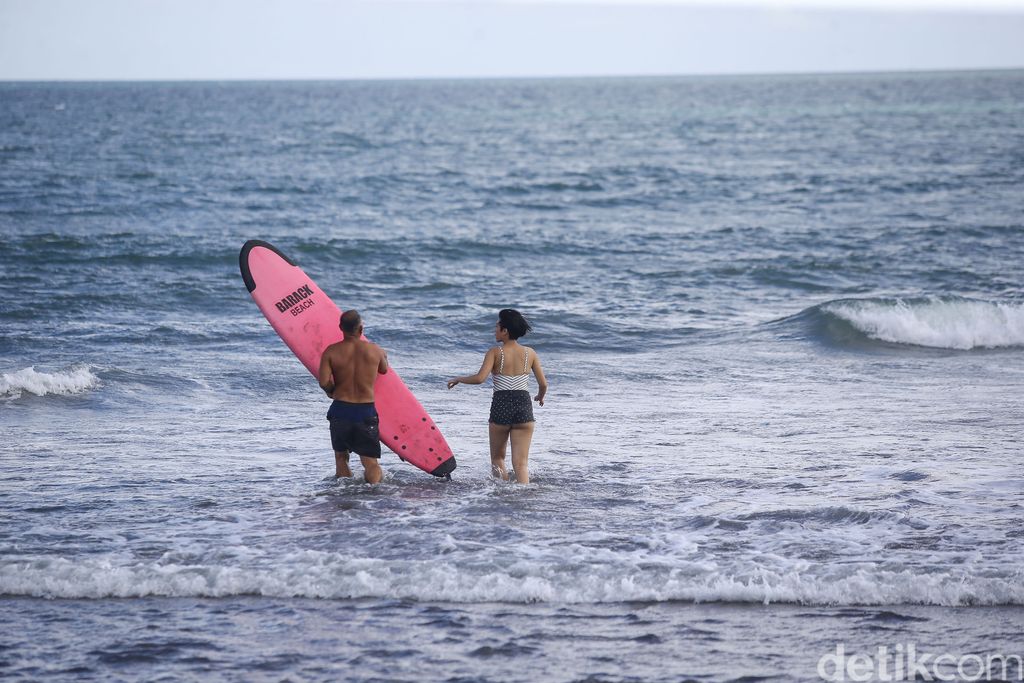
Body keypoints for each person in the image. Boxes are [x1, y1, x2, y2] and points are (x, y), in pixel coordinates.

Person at [447, 309, 547, 483]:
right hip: (523, 407)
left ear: (505, 330)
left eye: (497, 326)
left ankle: (502, 496)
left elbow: (479, 379)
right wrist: (540, 396)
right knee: (521, 463)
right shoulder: (530, 353)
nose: (494, 330)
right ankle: (523, 495)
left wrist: (459, 379)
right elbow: (543, 384)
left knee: (498, 458)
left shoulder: (495, 352)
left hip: (501, 407)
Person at [318, 310, 389, 484]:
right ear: (361, 328)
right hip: (365, 411)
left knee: (341, 457)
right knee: (370, 462)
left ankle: (345, 494)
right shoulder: (375, 350)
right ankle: (374, 494)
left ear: (340, 328)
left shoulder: (331, 351)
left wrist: (331, 391)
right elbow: (384, 370)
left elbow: (323, 381)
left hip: (341, 409)